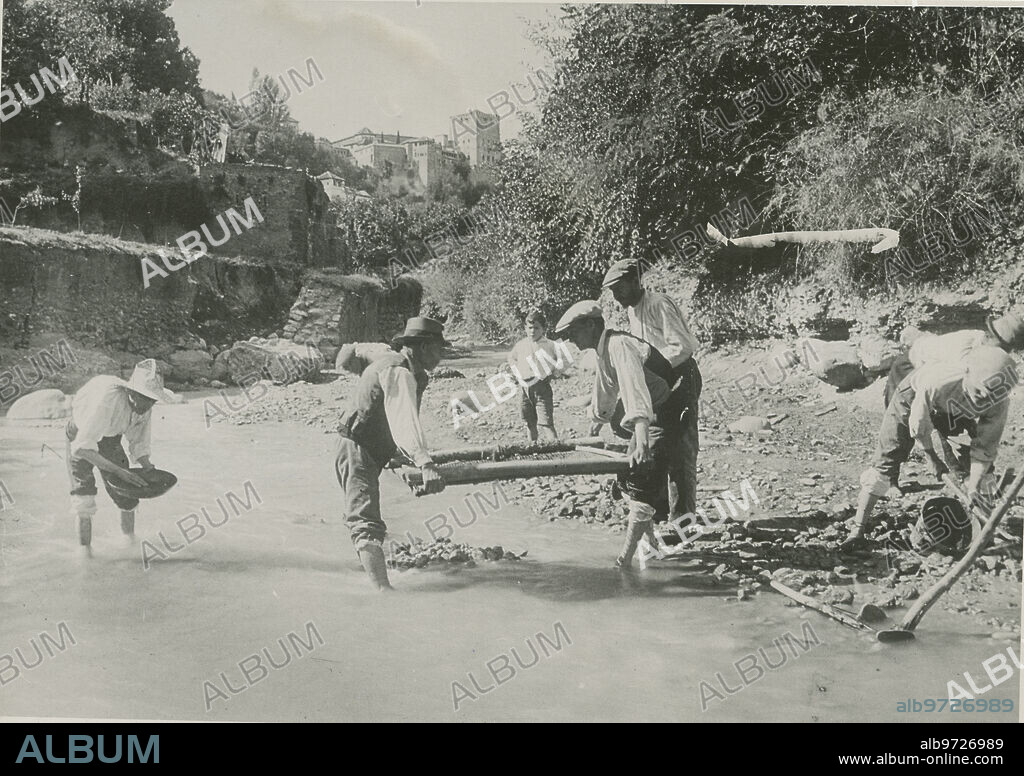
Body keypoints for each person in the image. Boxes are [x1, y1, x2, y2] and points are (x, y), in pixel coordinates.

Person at [841, 346, 1018, 553]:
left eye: (990, 397)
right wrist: (931, 457)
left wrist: (972, 488)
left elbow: (984, 449)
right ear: (968, 374)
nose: (983, 399)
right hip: (913, 398)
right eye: (979, 391)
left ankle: (983, 532)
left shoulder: (998, 404)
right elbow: (919, 424)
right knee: (887, 458)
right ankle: (857, 530)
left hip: (956, 411)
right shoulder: (938, 381)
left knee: (979, 474)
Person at [554, 300, 684, 567]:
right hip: (651, 410)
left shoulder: (619, 345)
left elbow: (635, 390)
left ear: (590, 325)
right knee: (629, 477)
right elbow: (605, 391)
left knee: (642, 475)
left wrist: (642, 440)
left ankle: (624, 560)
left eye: (573, 333)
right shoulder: (604, 351)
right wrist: (595, 426)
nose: (570, 340)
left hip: (668, 406)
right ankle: (651, 547)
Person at [335, 316, 447, 590]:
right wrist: (425, 463)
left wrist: (402, 454)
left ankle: (369, 571)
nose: (441, 356)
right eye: (438, 349)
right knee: (365, 522)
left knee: (363, 514)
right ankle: (384, 593)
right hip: (357, 447)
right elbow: (403, 420)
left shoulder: (397, 362)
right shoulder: (400, 373)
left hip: (370, 446)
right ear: (422, 347)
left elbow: (354, 351)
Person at [602, 259, 702, 522]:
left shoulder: (659, 304)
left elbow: (683, 346)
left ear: (636, 281)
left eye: (619, 289)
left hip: (680, 377)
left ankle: (683, 520)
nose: (616, 296)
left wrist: (652, 371)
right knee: (650, 440)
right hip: (656, 381)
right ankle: (655, 509)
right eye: (612, 292)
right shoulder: (632, 311)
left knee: (680, 449)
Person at [67, 359, 176, 555]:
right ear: (130, 392)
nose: (148, 405)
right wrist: (118, 471)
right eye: (144, 399)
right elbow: (82, 448)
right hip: (80, 434)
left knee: (128, 494)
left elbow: (139, 442)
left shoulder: (145, 406)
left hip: (111, 439)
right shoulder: (107, 400)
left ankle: (130, 544)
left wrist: (147, 466)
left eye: (152, 400)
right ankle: (85, 555)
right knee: (84, 497)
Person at [883, 311, 1024, 407]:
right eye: (1002, 348)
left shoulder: (988, 352)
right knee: (899, 412)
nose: (1002, 353)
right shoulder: (965, 347)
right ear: (989, 336)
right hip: (911, 363)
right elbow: (951, 379)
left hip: (936, 368)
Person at [506, 310, 564, 442]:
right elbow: (511, 358)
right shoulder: (521, 345)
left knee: (546, 423)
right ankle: (532, 447)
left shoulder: (550, 344)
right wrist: (516, 373)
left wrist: (555, 373)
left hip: (542, 387)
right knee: (529, 423)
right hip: (524, 388)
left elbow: (563, 360)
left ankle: (556, 448)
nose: (532, 331)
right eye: (530, 328)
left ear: (543, 329)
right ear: (525, 328)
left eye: (536, 328)